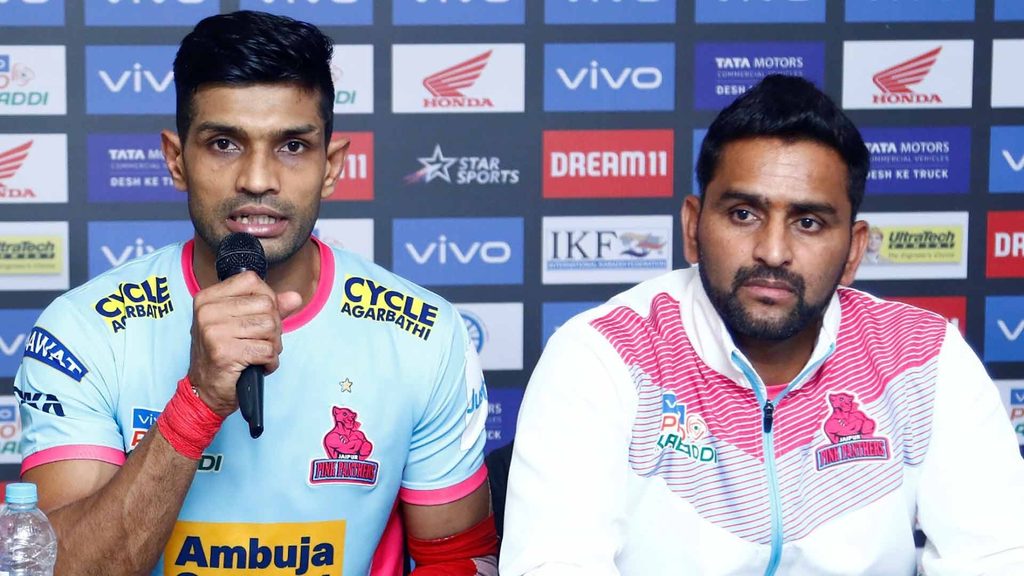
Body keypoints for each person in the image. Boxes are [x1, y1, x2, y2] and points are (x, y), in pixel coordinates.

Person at [14, 11, 497, 576]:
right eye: (224, 143)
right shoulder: (84, 330)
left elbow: (458, 558)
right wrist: (197, 402)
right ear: (176, 159)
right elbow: (61, 569)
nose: (259, 179)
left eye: (292, 146)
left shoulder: (423, 331)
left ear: (331, 166)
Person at [499, 75, 1024, 575]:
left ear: (854, 250)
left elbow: (995, 557)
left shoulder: (923, 355)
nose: (773, 252)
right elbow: (556, 563)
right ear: (692, 226)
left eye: (809, 222)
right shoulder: (604, 353)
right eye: (744, 214)